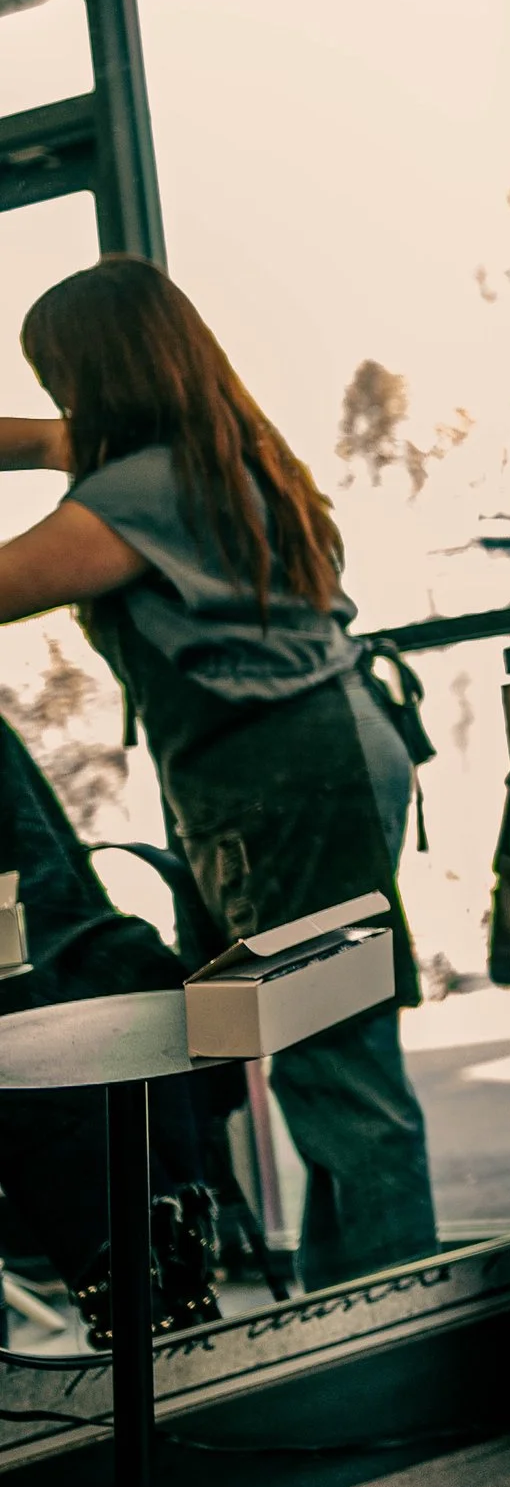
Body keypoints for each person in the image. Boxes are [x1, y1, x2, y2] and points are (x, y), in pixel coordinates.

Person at [0, 259, 435, 1289]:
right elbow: (59, 441)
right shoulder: (212, 454)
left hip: (287, 786)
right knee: (321, 1050)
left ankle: (403, 1348)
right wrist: (61, 431)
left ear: (97, 374)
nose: (58, 404)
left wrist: (67, 436)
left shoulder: (138, 494)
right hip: (316, 765)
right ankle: (360, 1324)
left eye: (62, 377)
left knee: (338, 1067)